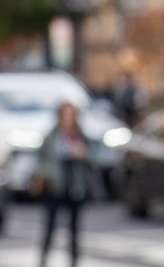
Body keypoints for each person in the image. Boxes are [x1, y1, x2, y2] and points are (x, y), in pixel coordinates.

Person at [37, 102, 93, 267]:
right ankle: (43, 259)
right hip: (55, 187)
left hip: (75, 187)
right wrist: (47, 174)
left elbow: (96, 158)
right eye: (65, 114)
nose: (68, 118)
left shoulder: (80, 136)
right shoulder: (52, 136)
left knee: (74, 230)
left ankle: (74, 261)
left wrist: (83, 154)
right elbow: (41, 160)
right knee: (50, 227)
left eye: (71, 114)